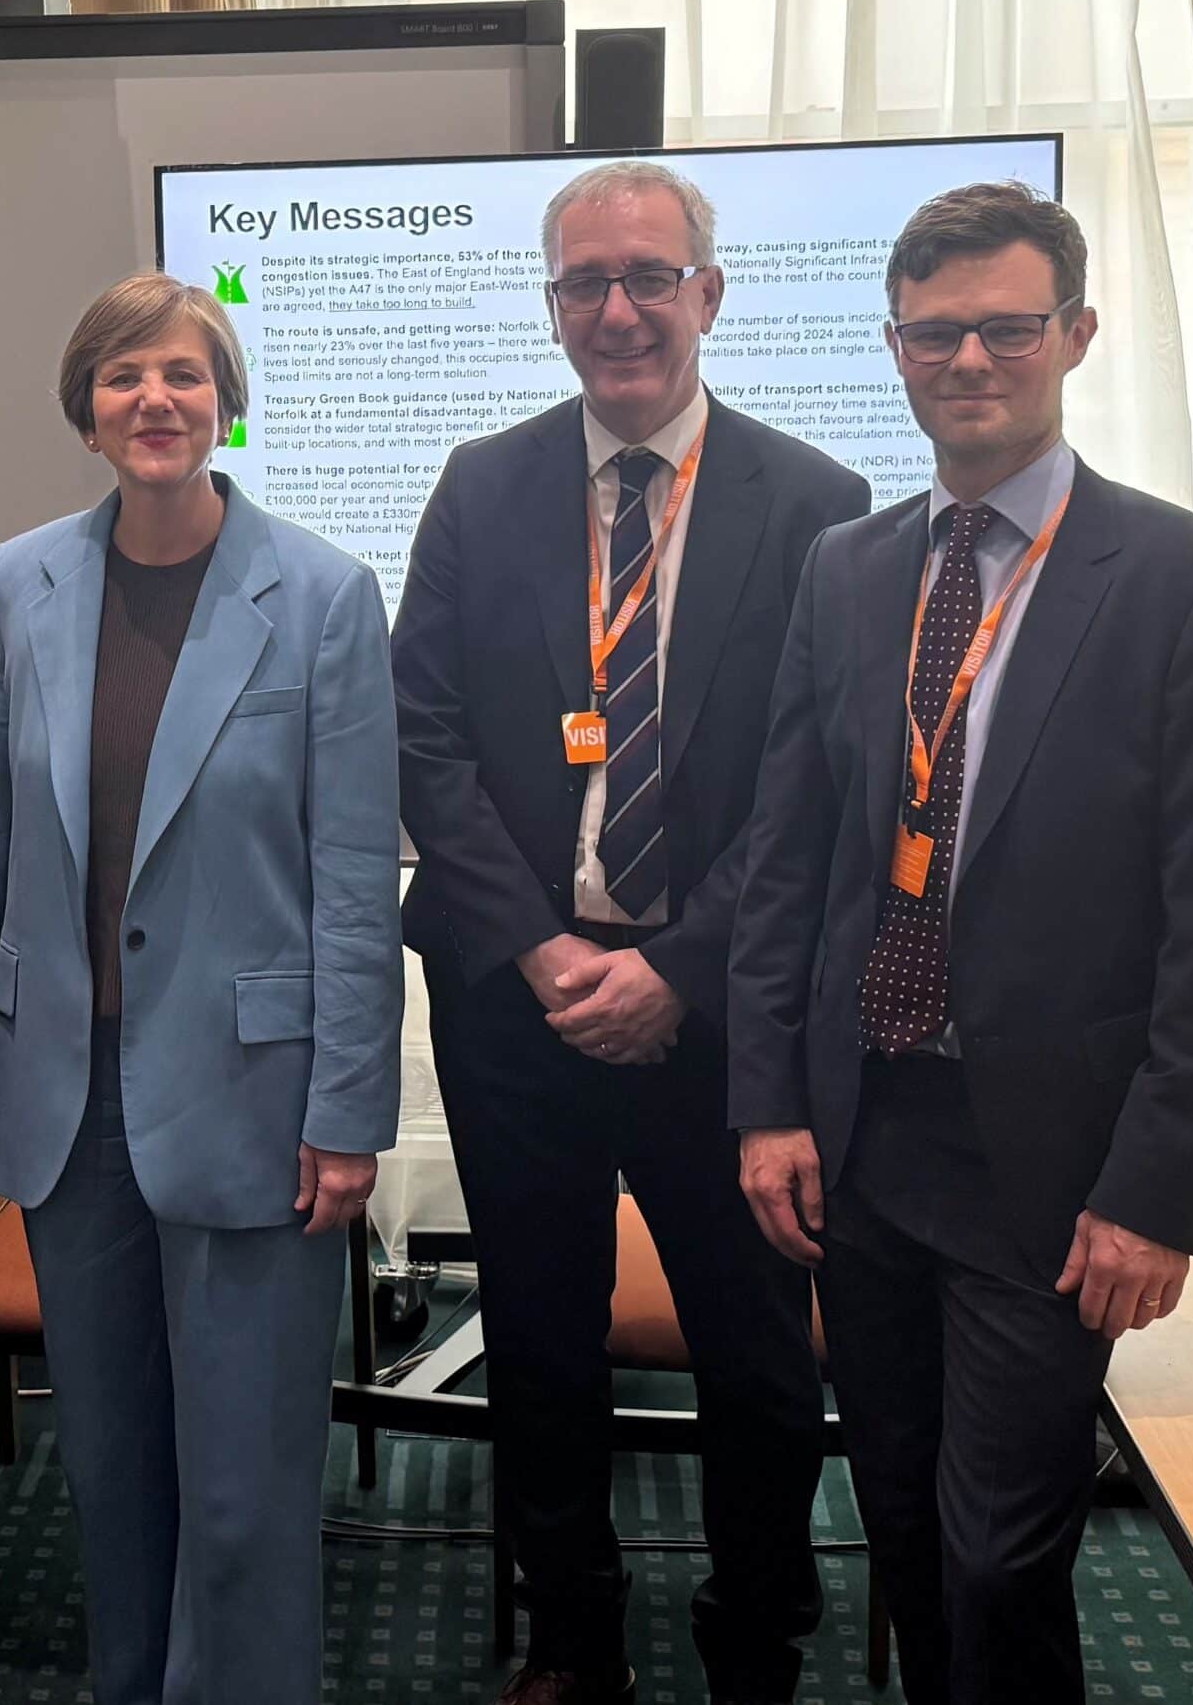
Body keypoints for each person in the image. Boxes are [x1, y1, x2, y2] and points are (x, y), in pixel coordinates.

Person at [727, 182, 1193, 1705]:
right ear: (896, 349)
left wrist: (1160, 1193)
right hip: (867, 1134)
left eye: (1004, 328)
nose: (968, 359)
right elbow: (794, 860)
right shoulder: (849, 568)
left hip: (1050, 1166)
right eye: (934, 332)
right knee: (900, 1520)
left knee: (1000, 1548)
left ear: (1074, 336)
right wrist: (771, 1102)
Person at [394, 160, 870, 1705]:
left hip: (722, 1016)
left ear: (708, 295)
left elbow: (809, 789)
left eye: (648, 278)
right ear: (552, 308)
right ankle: (573, 1639)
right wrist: (546, 956)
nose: (617, 312)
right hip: (516, 1004)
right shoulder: (482, 483)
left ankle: (756, 1637)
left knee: (755, 1355)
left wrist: (671, 967)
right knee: (536, 1335)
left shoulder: (818, 507)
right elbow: (426, 741)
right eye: (583, 285)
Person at [0, 272, 401, 1705]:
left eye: (183, 374)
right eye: (121, 377)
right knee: (112, 1474)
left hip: (255, 1104)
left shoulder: (325, 596)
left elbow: (353, 880)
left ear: (227, 404)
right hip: (70, 1104)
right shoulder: (19, 583)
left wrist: (350, 1111)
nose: (153, 400)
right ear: (85, 413)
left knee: (241, 1496)